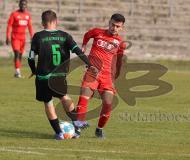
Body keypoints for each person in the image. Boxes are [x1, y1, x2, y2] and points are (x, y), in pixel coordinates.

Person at [28, 10, 98, 140]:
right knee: (64, 97)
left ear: (43, 23)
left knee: (48, 103)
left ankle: (59, 133)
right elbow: (78, 51)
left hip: (43, 77)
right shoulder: (65, 35)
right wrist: (90, 64)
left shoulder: (38, 36)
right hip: (59, 77)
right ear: (56, 21)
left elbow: (31, 57)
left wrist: (33, 70)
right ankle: (76, 123)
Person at [75, 13, 126, 138]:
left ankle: (99, 129)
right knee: (84, 97)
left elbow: (119, 60)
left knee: (108, 103)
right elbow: (87, 36)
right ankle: (77, 129)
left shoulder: (120, 43)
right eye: (113, 24)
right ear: (109, 22)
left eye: (118, 26)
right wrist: (83, 47)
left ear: (122, 28)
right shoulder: (97, 32)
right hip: (92, 72)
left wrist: (117, 74)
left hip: (107, 76)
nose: (114, 28)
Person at [6, 0, 34, 78]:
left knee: (20, 55)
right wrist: (7, 36)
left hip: (23, 39)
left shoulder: (27, 15)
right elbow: (9, 25)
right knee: (17, 53)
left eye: (24, 4)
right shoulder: (14, 14)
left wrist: (32, 37)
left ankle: (17, 71)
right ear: (19, 5)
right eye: (21, 4)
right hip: (15, 38)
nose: (23, 6)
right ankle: (17, 71)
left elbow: (30, 27)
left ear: (26, 6)